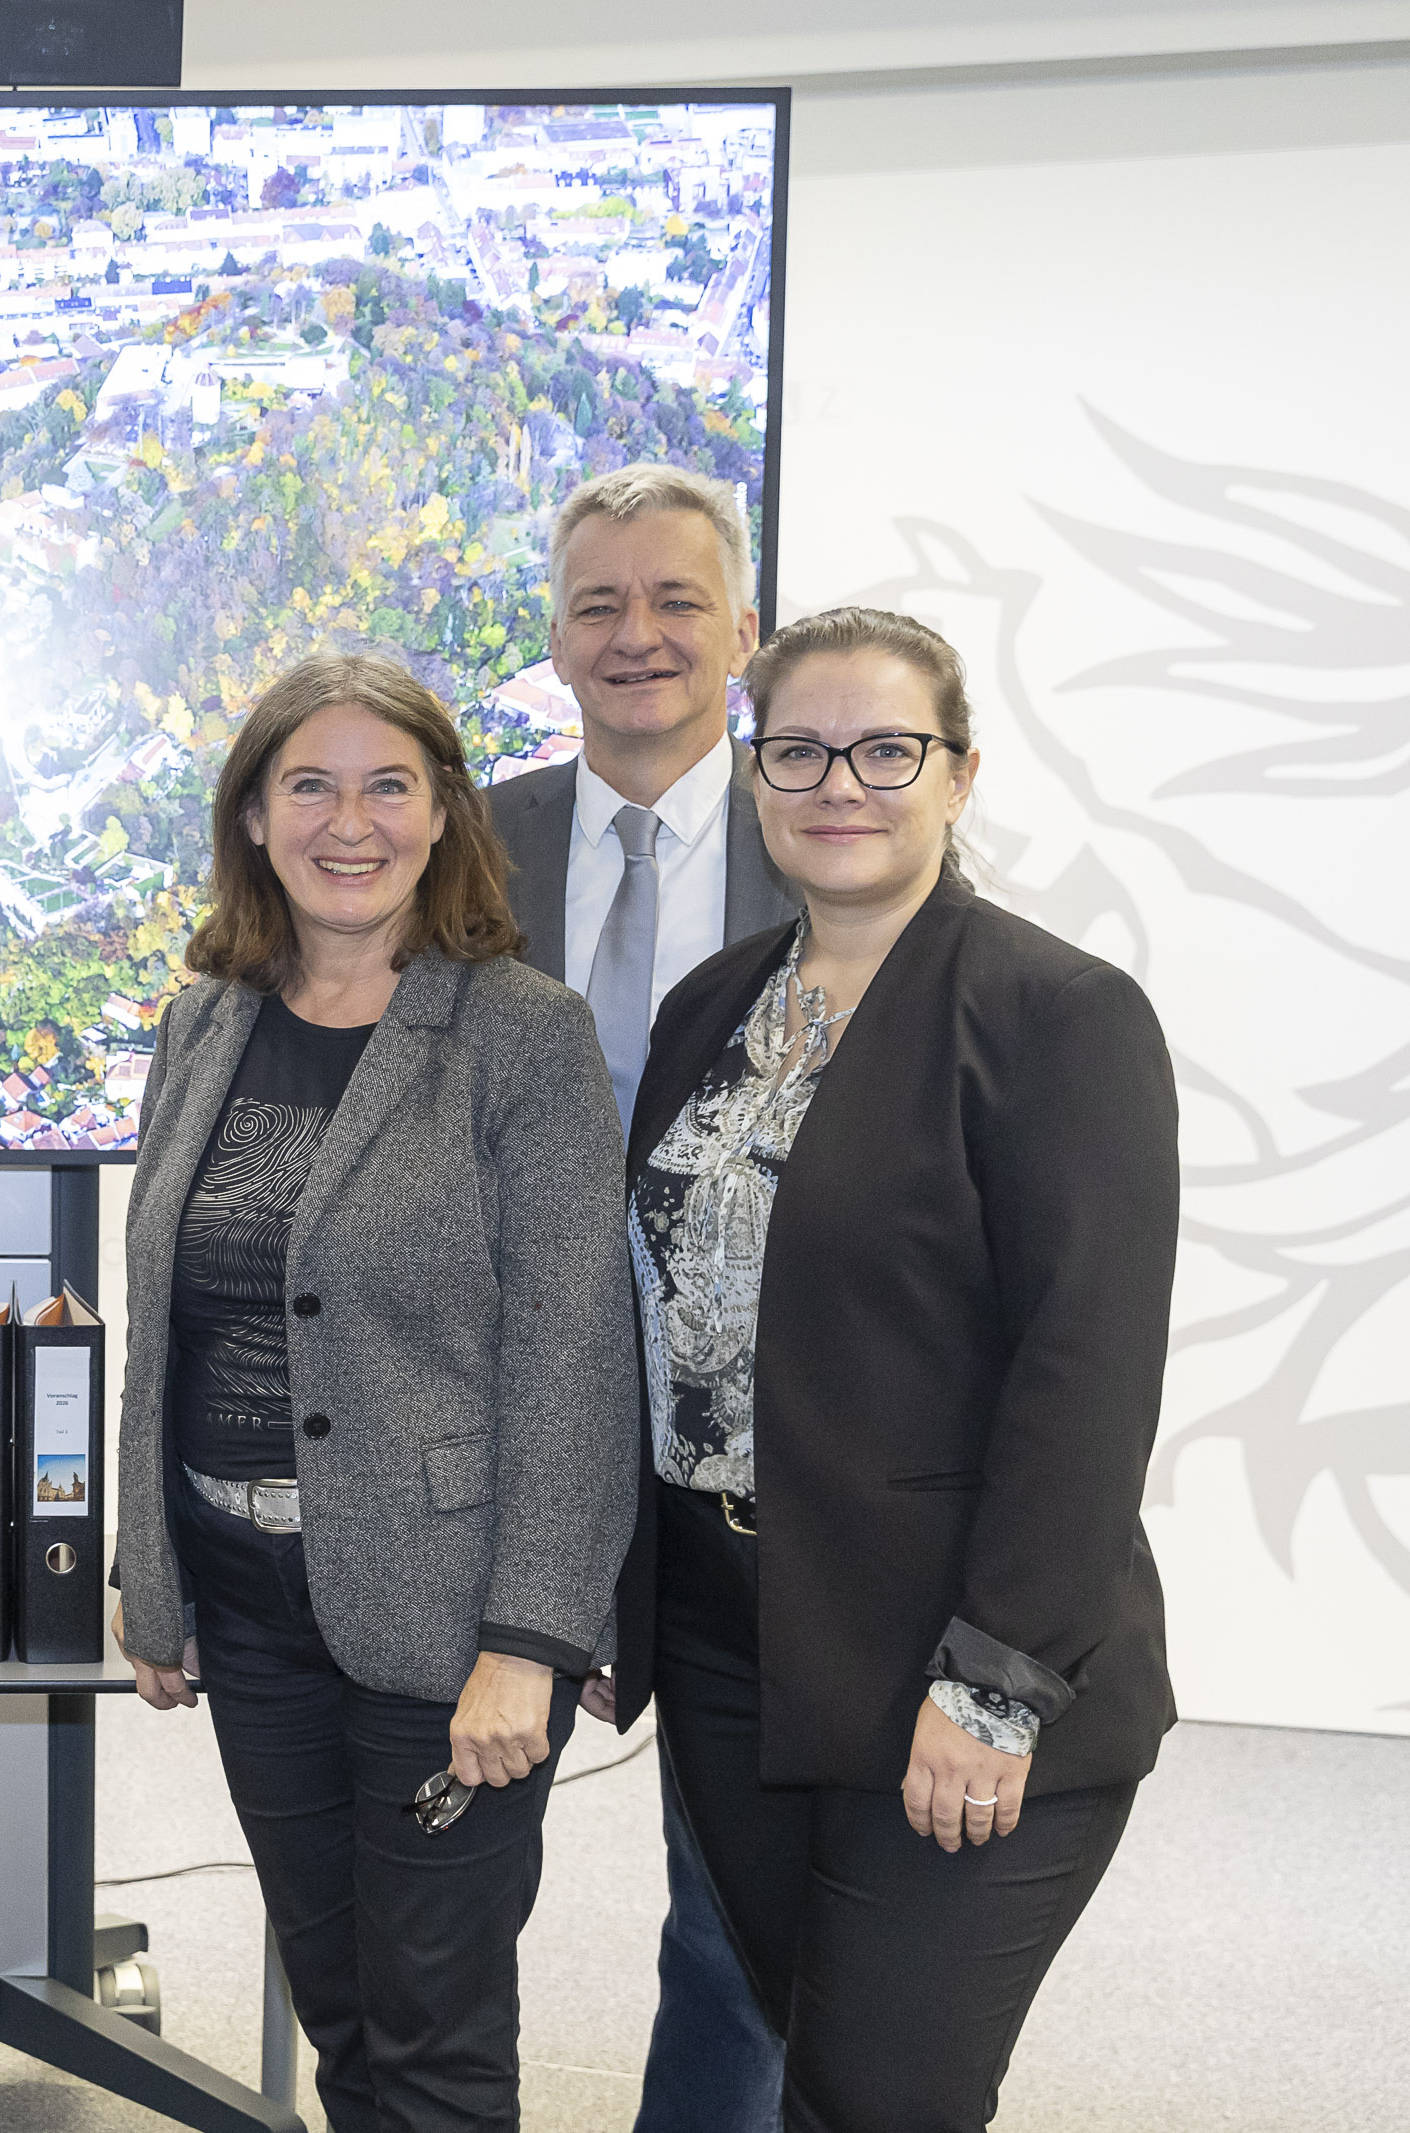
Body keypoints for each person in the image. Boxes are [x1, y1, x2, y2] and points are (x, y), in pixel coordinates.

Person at [611, 607, 1179, 2129]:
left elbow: (1090, 1374)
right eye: (796, 748)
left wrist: (993, 1683)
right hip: (736, 1645)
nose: (838, 782)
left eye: (886, 749)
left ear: (961, 773)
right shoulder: (713, 1007)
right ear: (752, 772)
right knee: (809, 2048)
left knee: (879, 2096)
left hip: (953, 1646)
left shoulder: (1057, 1016)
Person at [110, 652, 638, 2133]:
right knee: (341, 2009)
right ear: (256, 817)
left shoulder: (518, 1033)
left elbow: (575, 1348)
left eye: (388, 783)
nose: (352, 820)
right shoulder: (202, 1020)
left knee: (432, 2033)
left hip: (444, 1614)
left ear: (441, 811)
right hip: (246, 1596)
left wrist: (530, 1638)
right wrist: (152, 1569)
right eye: (311, 784)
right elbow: (172, 1316)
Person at [486, 461, 794, 2133]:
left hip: (742, 1458)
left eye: (677, 598)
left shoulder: (821, 828)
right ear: (554, 635)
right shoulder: (478, 837)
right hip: (506, 1428)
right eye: (598, 603)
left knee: (735, 1918)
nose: (638, 635)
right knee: (447, 1890)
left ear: (742, 626)